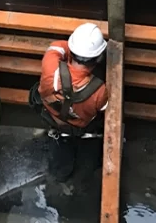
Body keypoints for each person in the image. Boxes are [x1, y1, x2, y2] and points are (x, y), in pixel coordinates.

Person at [29, 22, 108, 178]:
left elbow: (57, 46)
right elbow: (103, 111)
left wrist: (75, 52)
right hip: (80, 126)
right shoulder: (100, 91)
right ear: (98, 58)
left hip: (51, 116)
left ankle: (59, 150)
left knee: (61, 167)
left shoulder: (50, 64)